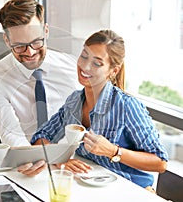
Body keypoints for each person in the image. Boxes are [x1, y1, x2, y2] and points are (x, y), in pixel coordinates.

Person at [29, 29, 168, 190]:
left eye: (97, 63)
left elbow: (161, 162)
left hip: (131, 191)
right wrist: (61, 159)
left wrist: (113, 151)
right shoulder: (74, 101)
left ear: (113, 70)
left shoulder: (126, 107)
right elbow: (41, 136)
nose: (85, 66)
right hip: (90, 189)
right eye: (84, 56)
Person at [0, 0, 80, 147]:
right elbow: (11, 134)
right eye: (19, 46)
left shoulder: (72, 68)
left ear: (46, 31)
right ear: (7, 41)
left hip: (73, 158)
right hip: (26, 160)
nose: (30, 52)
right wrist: (47, 159)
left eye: (36, 42)